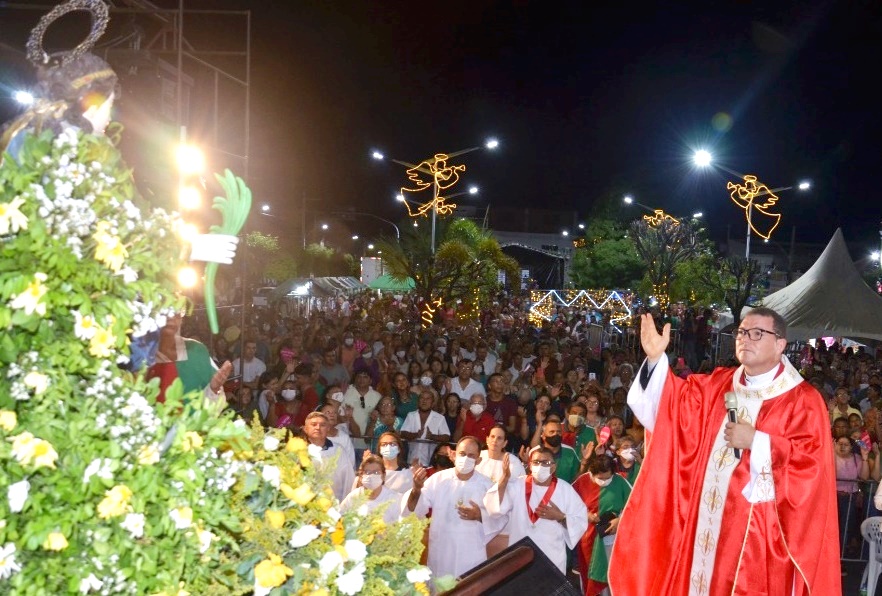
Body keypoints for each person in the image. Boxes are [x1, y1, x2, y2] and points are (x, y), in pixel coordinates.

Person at [609, 310, 840, 595]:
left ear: (780, 344)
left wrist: (757, 442)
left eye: (758, 333)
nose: (746, 339)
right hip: (703, 528)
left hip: (759, 539)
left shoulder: (803, 400)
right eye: (742, 332)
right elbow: (672, 409)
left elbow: (812, 468)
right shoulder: (717, 385)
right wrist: (657, 360)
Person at [402, 436, 505, 578]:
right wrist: (416, 490)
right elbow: (413, 510)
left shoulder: (487, 485)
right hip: (441, 551)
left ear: (478, 460)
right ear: (454, 455)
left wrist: (480, 515)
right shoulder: (438, 479)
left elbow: (499, 519)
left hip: (471, 553)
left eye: (471, 456)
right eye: (462, 454)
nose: (465, 459)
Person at [483, 448, 588, 575]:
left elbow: (581, 521)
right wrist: (504, 478)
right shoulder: (518, 484)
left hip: (552, 556)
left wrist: (560, 517)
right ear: (530, 465)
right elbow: (494, 508)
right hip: (520, 554)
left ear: (553, 467)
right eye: (536, 462)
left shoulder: (565, 490)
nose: (540, 466)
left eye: (546, 463)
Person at [572, 453, 632, 596]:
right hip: (588, 538)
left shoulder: (620, 481)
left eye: (608, 478)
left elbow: (635, 505)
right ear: (592, 473)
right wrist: (585, 514)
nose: (604, 481)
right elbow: (569, 505)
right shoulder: (582, 481)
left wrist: (620, 520)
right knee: (590, 574)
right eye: (600, 478)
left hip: (614, 538)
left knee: (614, 573)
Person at [303, 411, 355, 502]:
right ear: (305, 429)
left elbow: (348, 479)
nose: (318, 428)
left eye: (322, 425)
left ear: (328, 429)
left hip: (334, 504)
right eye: (313, 424)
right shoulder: (299, 450)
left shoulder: (339, 451)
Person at [340, 455, 402, 526]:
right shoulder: (353, 497)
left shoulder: (393, 499)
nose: (371, 476)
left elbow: (399, 528)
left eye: (376, 473)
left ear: (383, 476)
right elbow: (340, 519)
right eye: (367, 472)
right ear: (361, 476)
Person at [400, 390, 451, 467]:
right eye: (422, 398)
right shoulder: (411, 415)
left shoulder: (440, 418)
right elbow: (403, 433)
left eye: (428, 399)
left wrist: (432, 437)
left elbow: (446, 437)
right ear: (418, 401)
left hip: (431, 462)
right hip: (412, 461)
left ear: (433, 403)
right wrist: (415, 435)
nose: (424, 401)